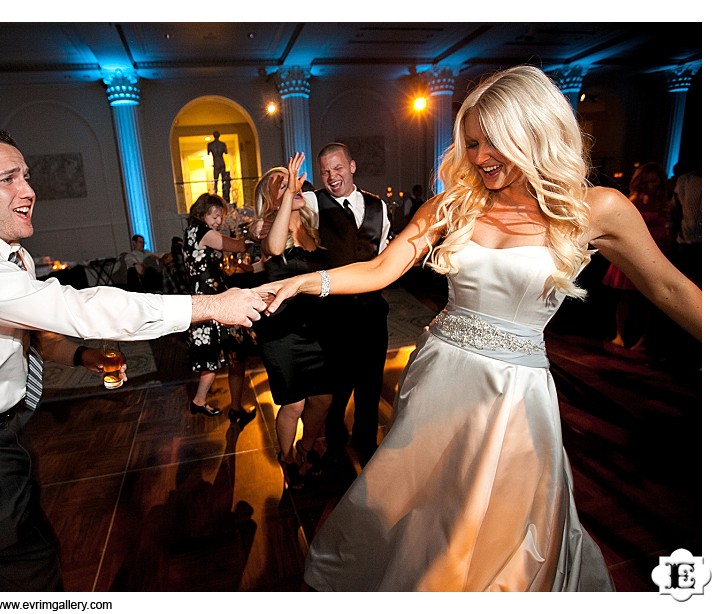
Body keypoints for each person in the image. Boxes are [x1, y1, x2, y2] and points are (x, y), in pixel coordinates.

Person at [255, 65, 701, 591]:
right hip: (441, 377)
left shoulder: (595, 209)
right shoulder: (457, 205)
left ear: (534, 133)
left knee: (506, 534)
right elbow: (380, 269)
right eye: (471, 144)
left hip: (517, 394)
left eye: (496, 143)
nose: (481, 157)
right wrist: (305, 284)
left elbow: (671, 290)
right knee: (427, 515)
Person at [0, 124, 267, 591]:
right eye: (8, 179)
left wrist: (81, 357)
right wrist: (212, 307)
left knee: (4, 559)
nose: (29, 191)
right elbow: (73, 307)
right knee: (26, 572)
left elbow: (26, 327)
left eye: (26, 176)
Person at [301, 142, 391, 468]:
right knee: (337, 387)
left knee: (370, 383)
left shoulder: (379, 207)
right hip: (331, 316)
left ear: (352, 166)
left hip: (371, 313)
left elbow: (382, 257)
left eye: (337, 168)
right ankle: (335, 445)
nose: (331, 176)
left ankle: (366, 442)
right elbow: (276, 212)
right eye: (325, 171)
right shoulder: (312, 203)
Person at [253, 153, 332, 488]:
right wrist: (287, 196)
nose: (294, 185)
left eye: (295, 181)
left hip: (315, 328)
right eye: (283, 184)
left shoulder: (312, 227)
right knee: (294, 402)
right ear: (272, 199)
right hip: (281, 331)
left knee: (324, 399)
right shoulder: (267, 227)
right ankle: (286, 457)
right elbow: (273, 248)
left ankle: (307, 444)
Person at [184, 192, 257, 425]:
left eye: (220, 217)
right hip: (212, 297)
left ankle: (200, 400)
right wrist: (253, 237)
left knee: (217, 354)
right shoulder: (203, 232)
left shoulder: (192, 231)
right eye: (214, 216)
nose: (218, 221)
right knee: (233, 352)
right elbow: (235, 246)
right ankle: (231, 407)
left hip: (205, 295)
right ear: (202, 212)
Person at [601, 162, 671, 350]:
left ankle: (644, 339)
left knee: (654, 299)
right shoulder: (632, 201)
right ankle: (620, 334)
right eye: (646, 181)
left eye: (654, 181)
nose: (650, 185)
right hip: (634, 253)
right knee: (626, 297)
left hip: (658, 254)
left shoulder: (665, 202)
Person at [207, 131, 227, 195]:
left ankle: (216, 193)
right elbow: (226, 152)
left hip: (216, 162)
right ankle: (219, 194)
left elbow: (208, 153)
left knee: (216, 180)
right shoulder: (222, 144)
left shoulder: (210, 145)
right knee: (222, 180)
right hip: (221, 161)